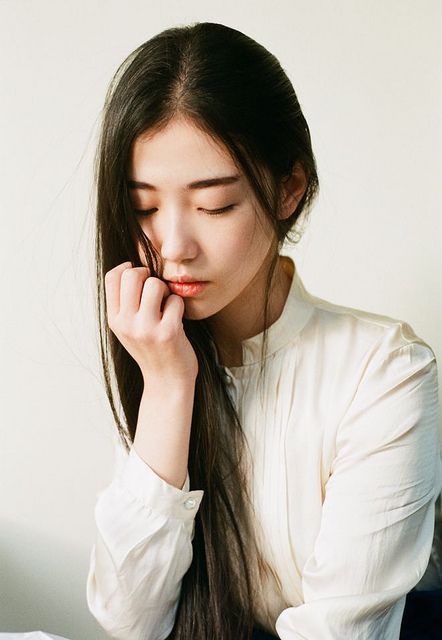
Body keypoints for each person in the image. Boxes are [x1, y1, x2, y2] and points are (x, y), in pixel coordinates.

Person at [85, 21, 442, 640]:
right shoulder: (162, 352)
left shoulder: (384, 372)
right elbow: (131, 621)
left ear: (288, 190)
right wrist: (167, 388)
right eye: (144, 207)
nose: (173, 246)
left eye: (213, 205)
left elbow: (340, 632)